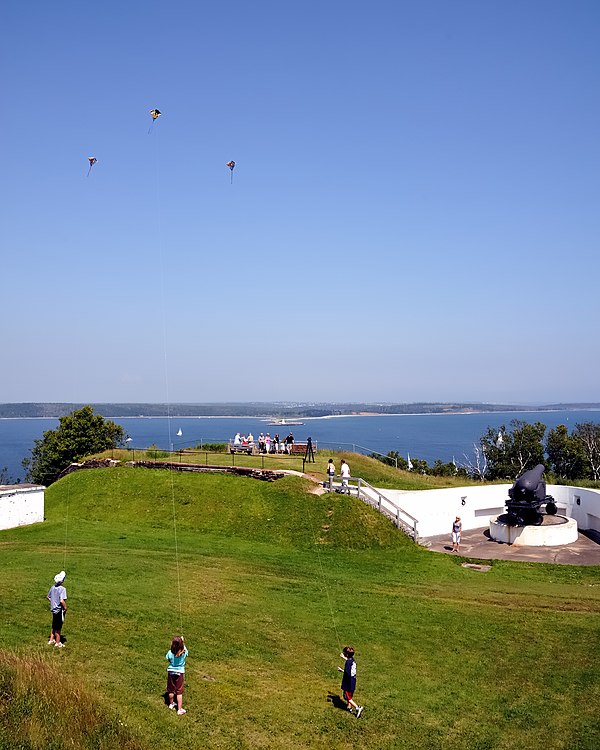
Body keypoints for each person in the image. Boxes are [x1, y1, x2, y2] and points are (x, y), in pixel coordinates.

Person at [337, 646, 363, 718]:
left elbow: (347, 673)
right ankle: (349, 707)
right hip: (353, 681)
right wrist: (344, 658)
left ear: (347, 654)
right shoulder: (352, 660)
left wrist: (341, 670)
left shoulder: (348, 663)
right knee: (349, 695)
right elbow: (349, 661)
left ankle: (358, 708)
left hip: (348, 682)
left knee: (348, 697)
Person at [166, 635, 188, 715]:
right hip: (180, 673)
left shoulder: (169, 652)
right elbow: (184, 649)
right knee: (179, 692)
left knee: (171, 689)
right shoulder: (184, 652)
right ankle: (179, 709)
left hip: (171, 672)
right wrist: (183, 641)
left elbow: (168, 659)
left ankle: (171, 704)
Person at [47, 571, 67, 647]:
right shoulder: (62, 589)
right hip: (59, 610)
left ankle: (51, 640)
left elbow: (48, 596)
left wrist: (53, 602)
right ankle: (58, 642)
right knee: (58, 627)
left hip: (53, 609)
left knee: (54, 625)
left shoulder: (53, 587)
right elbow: (62, 600)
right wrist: (65, 608)